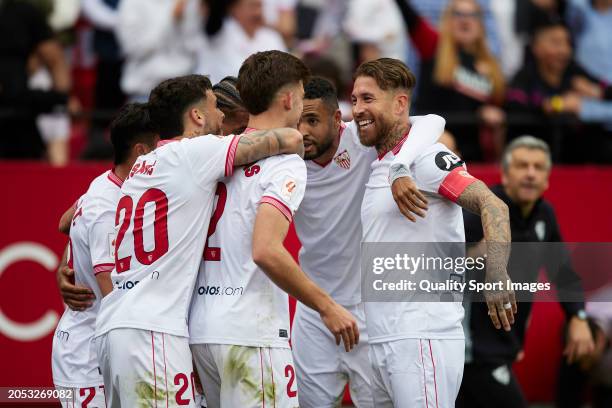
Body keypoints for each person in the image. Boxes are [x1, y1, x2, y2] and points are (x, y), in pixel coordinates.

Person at [93, 74, 305, 407]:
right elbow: (287, 138)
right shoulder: (196, 152)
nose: (222, 117)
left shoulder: (142, 164)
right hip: (154, 331)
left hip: (113, 327)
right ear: (196, 116)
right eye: (215, 107)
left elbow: (80, 211)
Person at [188, 50, 358, 408]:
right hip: (252, 334)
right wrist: (326, 306)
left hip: (200, 331)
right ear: (289, 98)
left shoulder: (210, 154)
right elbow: (265, 249)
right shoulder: (285, 164)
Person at [355, 58, 514, 407]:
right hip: (382, 338)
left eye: (368, 99)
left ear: (399, 104)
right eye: (354, 100)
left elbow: (493, 205)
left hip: (422, 336)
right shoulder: (382, 163)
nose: (357, 110)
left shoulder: (427, 157)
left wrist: (497, 272)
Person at [293, 76, 445, 407]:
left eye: (313, 120)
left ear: (338, 119)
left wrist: (400, 166)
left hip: (367, 312)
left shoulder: (361, 142)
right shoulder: (285, 157)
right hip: (313, 313)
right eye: (298, 121)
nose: (302, 131)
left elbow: (433, 122)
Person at [459, 135, 594, 408]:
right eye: (522, 166)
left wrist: (577, 317)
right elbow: (434, 267)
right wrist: (474, 256)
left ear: (547, 179)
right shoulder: (479, 212)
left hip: (503, 350)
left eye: (538, 167)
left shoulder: (544, 213)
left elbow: (564, 272)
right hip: (471, 354)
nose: (530, 174)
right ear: (505, 174)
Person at [52, 103, 159, 407]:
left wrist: (70, 260)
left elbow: (64, 222)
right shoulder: (106, 208)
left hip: (99, 344)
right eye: (160, 146)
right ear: (141, 152)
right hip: (86, 356)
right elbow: (108, 288)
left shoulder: (107, 182)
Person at [395, 0, 507, 162]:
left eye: (472, 15)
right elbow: (411, 18)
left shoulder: (490, 64)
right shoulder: (434, 46)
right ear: (447, 21)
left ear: (481, 24)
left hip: (473, 155)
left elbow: (500, 106)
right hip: (433, 148)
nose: (465, 20)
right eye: (458, 14)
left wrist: (491, 111)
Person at [505, 19, 612, 163]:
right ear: (536, 48)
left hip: (575, 158)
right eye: (556, 43)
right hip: (533, 157)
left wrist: (597, 92)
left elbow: (606, 90)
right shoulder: (526, 75)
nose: (564, 50)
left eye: (567, 43)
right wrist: (559, 104)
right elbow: (514, 106)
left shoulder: (574, 71)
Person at [0, 0, 73, 159]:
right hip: (15, 106)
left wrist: (63, 97)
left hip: (16, 111)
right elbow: (53, 56)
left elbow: (53, 56)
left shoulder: (23, 11)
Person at [116, 0, 204, 101]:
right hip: (145, 92)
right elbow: (132, 48)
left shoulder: (188, 3)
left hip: (183, 91)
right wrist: (171, 19)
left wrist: (185, 20)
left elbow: (195, 45)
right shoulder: (132, 3)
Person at [199, 0, 286, 84]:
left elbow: (283, 70)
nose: (257, 13)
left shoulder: (272, 37)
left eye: (259, 6)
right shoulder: (218, 35)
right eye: (252, 6)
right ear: (234, 8)